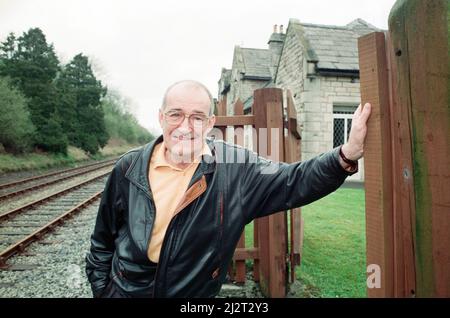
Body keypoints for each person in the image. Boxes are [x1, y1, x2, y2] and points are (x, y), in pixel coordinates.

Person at [85, 80, 371, 298]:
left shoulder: (237, 169)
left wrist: (345, 154)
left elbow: (294, 180)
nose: (185, 126)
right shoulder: (128, 168)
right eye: (175, 115)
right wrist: (104, 291)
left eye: (197, 117)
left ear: (209, 124)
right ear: (161, 118)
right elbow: (102, 241)